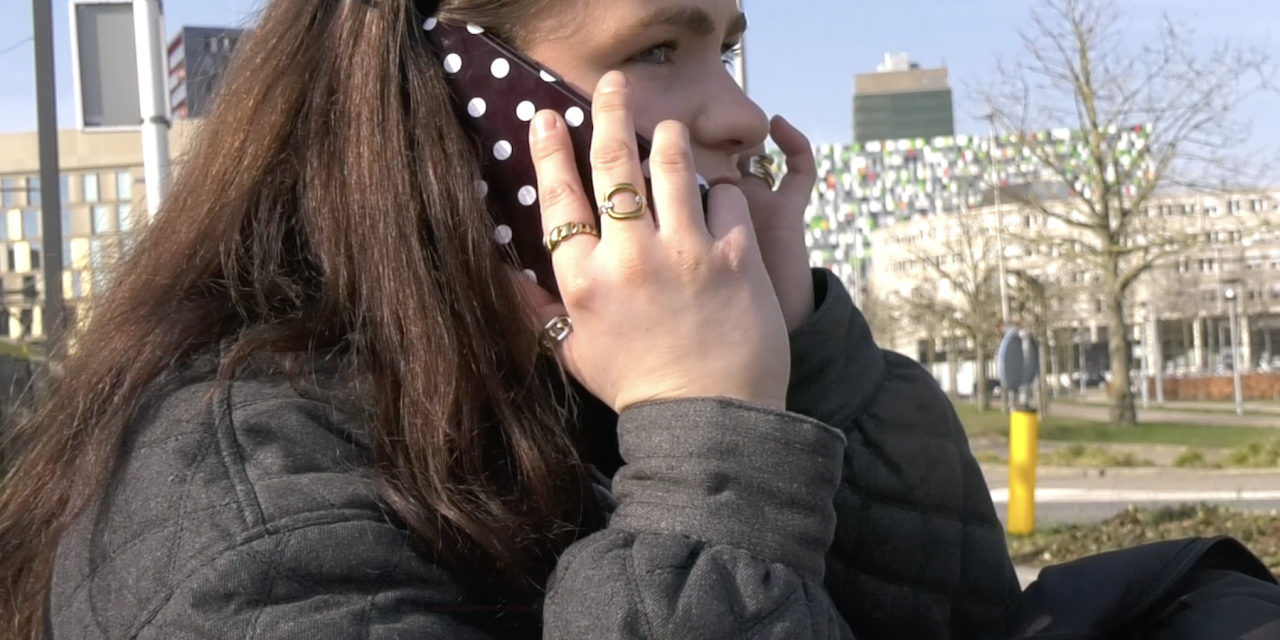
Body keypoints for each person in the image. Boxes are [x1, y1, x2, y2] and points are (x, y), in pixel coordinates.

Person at [0, 0, 1021, 638]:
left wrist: (803, 364)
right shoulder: (251, 505)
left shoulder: (591, 385)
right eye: (659, 46)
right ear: (455, 100)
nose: (743, 115)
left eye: (727, 44)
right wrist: (710, 457)